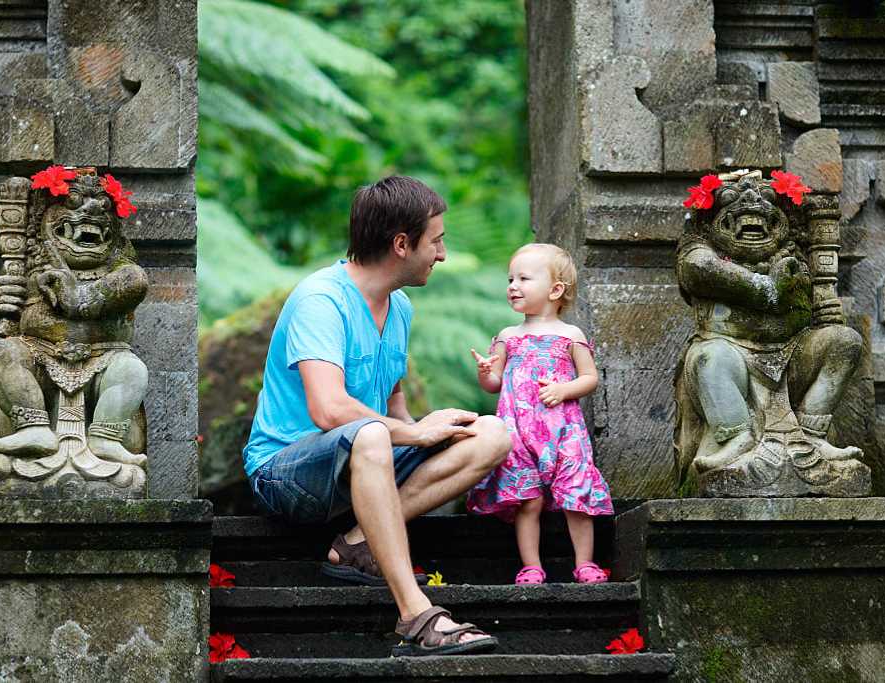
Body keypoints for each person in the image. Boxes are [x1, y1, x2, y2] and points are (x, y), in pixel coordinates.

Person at [243, 176, 511, 656]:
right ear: (402, 244)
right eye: (437, 241)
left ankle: (356, 541)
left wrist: (432, 429)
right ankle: (415, 616)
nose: (443, 254)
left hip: (365, 461)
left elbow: (394, 407)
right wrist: (414, 434)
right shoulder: (320, 299)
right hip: (286, 475)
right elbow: (328, 409)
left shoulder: (400, 307)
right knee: (367, 434)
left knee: (489, 433)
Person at [468, 243, 613, 585]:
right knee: (527, 499)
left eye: (523, 278)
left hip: (563, 430)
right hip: (517, 431)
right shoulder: (508, 337)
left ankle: (585, 563)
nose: (513, 286)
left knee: (575, 494)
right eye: (510, 279)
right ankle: (531, 565)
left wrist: (564, 390)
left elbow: (589, 378)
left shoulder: (570, 335)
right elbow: (494, 384)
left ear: (555, 289)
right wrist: (486, 373)